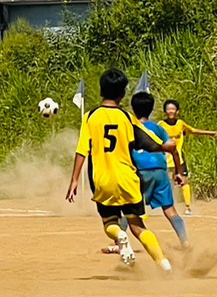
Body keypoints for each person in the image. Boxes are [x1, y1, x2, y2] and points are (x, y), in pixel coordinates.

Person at [66, 69, 178, 273]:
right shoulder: (127, 118)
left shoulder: (91, 117)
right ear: (123, 94)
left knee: (109, 223)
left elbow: (82, 150)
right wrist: (165, 147)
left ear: (101, 91)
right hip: (128, 179)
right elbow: (147, 141)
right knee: (138, 226)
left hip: (102, 180)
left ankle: (119, 236)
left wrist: (74, 180)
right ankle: (164, 264)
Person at [132, 92, 190, 250]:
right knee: (170, 210)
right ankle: (185, 241)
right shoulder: (158, 128)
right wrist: (179, 172)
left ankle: (119, 243)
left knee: (129, 209)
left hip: (140, 171)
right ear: (151, 110)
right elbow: (174, 149)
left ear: (133, 109)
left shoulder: (131, 128)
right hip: (160, 171)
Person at [161, 100, 217, 215]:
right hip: (164, 160)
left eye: (173, 109)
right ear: (164, 111)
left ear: (177, 111)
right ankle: (166, 208)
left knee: (184, 182)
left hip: (179, 159)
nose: (170, 111)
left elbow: (193, 131)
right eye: (168, 109)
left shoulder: (181, 124)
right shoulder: (160, 125)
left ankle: (188, 207)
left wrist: (210, 133)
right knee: (167, 184)